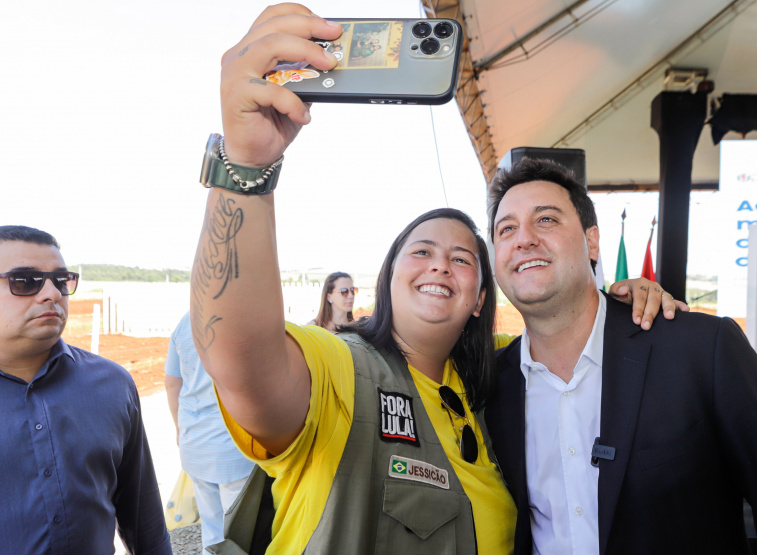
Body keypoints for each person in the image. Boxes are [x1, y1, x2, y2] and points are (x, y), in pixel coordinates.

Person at [189, 6, 680, 553]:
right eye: (421, 251)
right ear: (389, 280)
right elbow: (241, 359)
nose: (441, 265)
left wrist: (624, 299)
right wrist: (246, 164)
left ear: (478, 300)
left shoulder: (497, 379)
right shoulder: (342, 369)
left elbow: (570, 335)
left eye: (464, 259)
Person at [483, 158, 757, 554]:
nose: (524, 239)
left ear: (592, 241)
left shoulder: (702, 350)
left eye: (546, 220)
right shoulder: (492, 389)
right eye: (506, 229)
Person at [0, 225, 171, 555]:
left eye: (61, 280)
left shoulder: (112, 384)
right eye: (25, 281)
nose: (51, 293)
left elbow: (143, 518)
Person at [165, 312, 255, 552]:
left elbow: (172, 383)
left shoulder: (184, 323)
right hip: (233, 447)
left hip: (195, 444)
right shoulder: (238, 320)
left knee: (212, 529)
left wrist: (179, 427)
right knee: (238, 534)